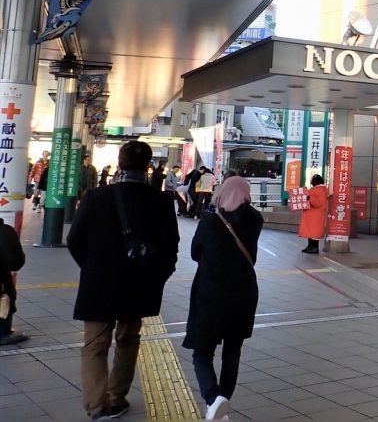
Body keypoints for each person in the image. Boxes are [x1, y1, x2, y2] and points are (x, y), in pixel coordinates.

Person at [68, 140, 179, 420]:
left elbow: (74, 240)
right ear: (149, 166)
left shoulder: (96, 197)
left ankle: (96, 406)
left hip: (99, 283)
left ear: (119, 164)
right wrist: (157, 277)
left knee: (95, 345)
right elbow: (171, 248)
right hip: (139, 284)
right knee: (128, 340)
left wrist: (91, 267)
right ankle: (117, 399)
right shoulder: (161, 201)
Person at [184, 176, 263, 420]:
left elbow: (195, 252)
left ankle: (213, 398)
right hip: (244, 295)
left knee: (202, 351)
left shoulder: (210, 221)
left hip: (212, 294)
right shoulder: (255, 220)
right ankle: (222, 402)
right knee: (232, 351)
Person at [0, 215, 27, 345]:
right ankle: (2, 333)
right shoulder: (6, 231)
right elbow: (18, 261)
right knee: (6, 298)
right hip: (2, 281)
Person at [299, 174, 328, 254]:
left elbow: (319, 202)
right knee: (311, 232)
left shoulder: (320, 190)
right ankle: (310, 247)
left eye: (312, 180)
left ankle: (314, 248)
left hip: (315, 215)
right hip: (312, 215)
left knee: (314, 233)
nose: (311, 181)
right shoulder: (318, 189)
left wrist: (309, 198)